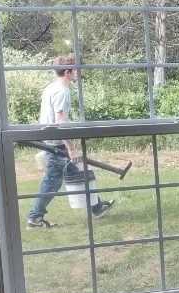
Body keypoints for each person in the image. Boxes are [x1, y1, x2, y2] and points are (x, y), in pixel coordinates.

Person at [27, 55, 115, 228]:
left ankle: (97, 207)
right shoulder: (61, 91)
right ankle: (34, 217)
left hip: (52, 141)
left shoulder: (51, 87)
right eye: (74, 70)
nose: (77, 73)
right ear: (67, 72)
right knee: (52, 182)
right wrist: (72, 149)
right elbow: (61, 123)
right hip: (56, 145)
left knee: (78, 175)